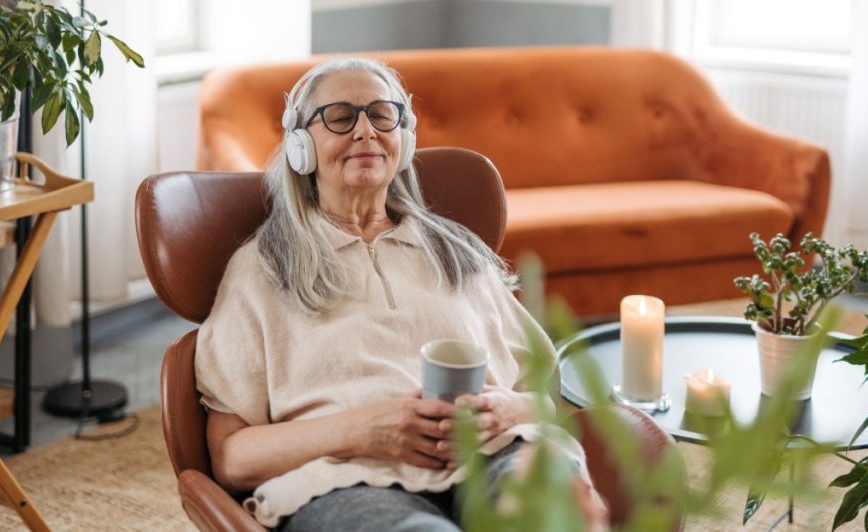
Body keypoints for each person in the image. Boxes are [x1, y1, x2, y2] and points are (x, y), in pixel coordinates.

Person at [195, 57, 607, 531]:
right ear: (300, 146)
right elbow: (231, 457)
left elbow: (542, 395)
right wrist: (362, 430)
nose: (366, 131)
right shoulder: (262, 268)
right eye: (340, 117)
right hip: (341, 477)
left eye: (381, 114)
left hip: (495, 453)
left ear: (404, 138)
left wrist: (509, 410)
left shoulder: (456, 252)